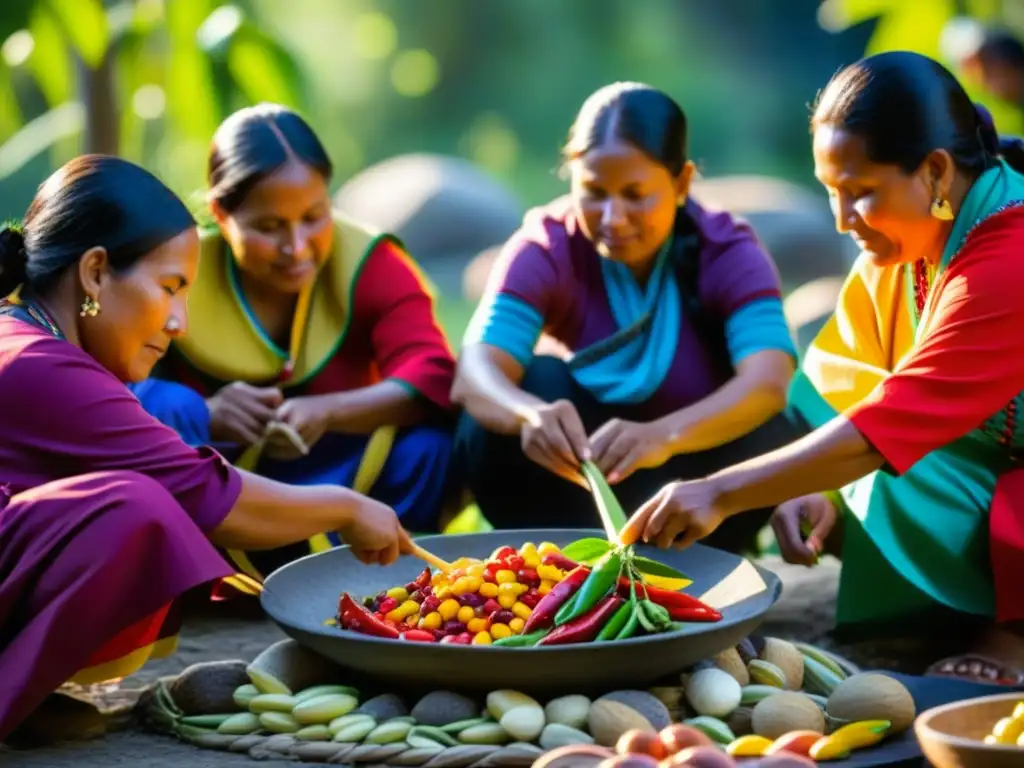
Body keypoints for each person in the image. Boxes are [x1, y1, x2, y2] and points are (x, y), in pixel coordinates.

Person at [621, 51, 1024, 685]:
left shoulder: (1008, 256)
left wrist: (719, 491)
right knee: (855, 460)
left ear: (936, 172)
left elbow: (884, 426)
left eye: (862, 194)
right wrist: (823, 486)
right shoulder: (911, 245)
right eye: (831, 192)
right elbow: (850, 383)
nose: (842, 220)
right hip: (993, 464)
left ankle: (1012, 634)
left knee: (878, 450)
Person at [0, 155, 413, 744]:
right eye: (169, 288)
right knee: (132, 511)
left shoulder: (28, 339)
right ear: (94, 273)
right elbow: (208, 495)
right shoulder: (40, 365)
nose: (178, 322)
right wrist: (346, 507)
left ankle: (24, 690)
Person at [452, 82, 799, 553]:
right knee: (513, 403)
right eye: (594, 192)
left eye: (636, 195)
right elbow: (475, 374)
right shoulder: (547, 245)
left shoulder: (727, 248)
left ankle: (698, 565)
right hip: (581, 485)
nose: (613, 218)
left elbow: (768, 383)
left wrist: (664, 436)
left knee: (772, 432)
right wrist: (527, 415)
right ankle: (561, 563)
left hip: (693, 484)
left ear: (681, 183)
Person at [130, 104, 457, 584]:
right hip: (227, 484)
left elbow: (431, 375)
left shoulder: (369, 261)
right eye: (268, 226)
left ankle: (382, 571)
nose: (297, 247)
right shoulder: (179, 272)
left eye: (313, 216)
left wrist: (328, 412)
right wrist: (206, 411)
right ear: (221, 214)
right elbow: (105, 389)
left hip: (354, 465)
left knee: (431, 447)